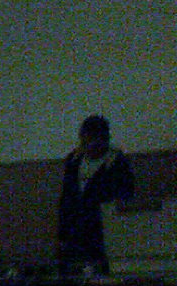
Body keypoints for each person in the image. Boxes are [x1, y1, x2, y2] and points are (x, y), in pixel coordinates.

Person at [56, 113, 134, 272]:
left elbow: (125, 200)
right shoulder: (74, 161)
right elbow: (66, 200)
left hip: (105, 232)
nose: (90, 144)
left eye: (95, 139)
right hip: (75, 233)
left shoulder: (117, 163)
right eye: (87, 138)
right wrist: (62, 235)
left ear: (104, 139)